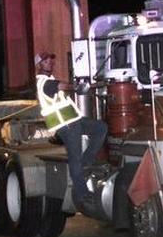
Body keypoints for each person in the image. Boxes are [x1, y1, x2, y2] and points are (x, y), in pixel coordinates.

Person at [35, 51, 108, 211]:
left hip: (74, 121)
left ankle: (86, 161)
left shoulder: (49, 80)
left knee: (100, 128)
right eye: (46, 61)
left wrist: (94, 85)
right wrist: (78, 87)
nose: (50, 63)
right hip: (66, 125)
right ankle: (83, 194)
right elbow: (62, 86)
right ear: (39, 65)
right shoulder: (44, 82)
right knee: (74, 159)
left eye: (51, 60)